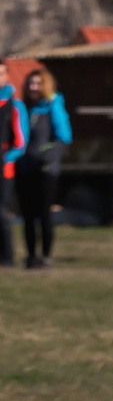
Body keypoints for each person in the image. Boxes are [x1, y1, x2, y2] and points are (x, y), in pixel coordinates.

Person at [18, 66, 70, 269]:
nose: (33, 87)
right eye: (31, 83)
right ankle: (31, 256)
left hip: (46, 171)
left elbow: (64, 137)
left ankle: (46, 256)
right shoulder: (23, 108)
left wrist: (46, 158)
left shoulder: (52, 106)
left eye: (38, 83)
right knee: (28, 215)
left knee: (44, 214)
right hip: (25, 168)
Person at [0, 66, 23, 270]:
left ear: (7, 76)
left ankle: (7, 257)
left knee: (2, 213)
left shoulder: (14, 105)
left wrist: (6, 158)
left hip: (4, 169)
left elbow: (20, 142)